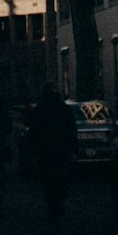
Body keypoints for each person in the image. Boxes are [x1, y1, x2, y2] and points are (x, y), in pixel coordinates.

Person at [27, 83, 78, 220]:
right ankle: (57, 202)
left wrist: (33, 147)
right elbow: (71, 130)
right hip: (59, 150)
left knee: (49, 179)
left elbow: (34, 130)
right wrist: (74, 147)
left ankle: (53, 204)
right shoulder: (63, 109)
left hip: (47, 150)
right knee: (60, 179)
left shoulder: (41, 109)